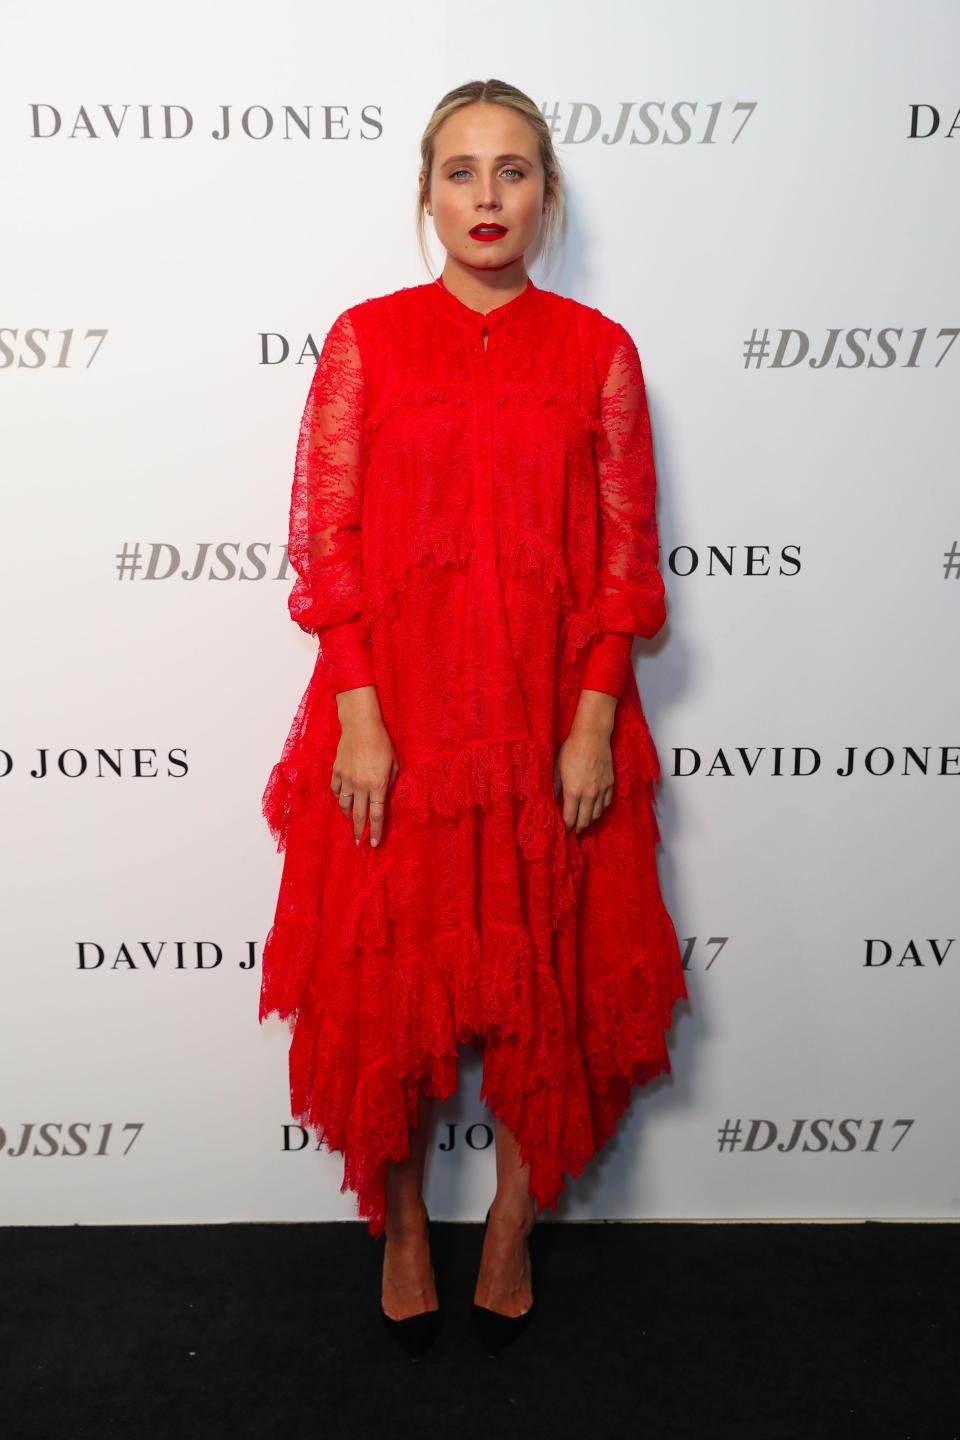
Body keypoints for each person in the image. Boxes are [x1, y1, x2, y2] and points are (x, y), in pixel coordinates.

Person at [258, 77, 688, 1359]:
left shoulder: (599, 351)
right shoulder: (367, 340)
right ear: (427, 194)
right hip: (396, 721)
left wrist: (597, 719)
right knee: (389, 981)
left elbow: (626, 557)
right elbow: (325, 545)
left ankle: (508, 1221)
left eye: (512, 172)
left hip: (554, 717)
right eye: (461, 171)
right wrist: (358, 714)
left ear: (548, 196)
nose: (487, 197)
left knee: (541, 975)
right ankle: (399, 1227)